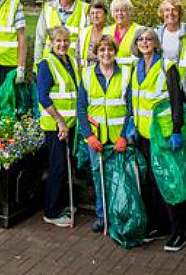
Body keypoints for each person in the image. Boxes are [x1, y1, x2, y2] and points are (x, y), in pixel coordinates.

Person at [131, 26, 186, 252]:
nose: (144, 42)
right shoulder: (136, 68)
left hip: (163, 135)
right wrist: (132, 125)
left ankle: (179, 232)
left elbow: (176, 99)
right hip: (144, 134)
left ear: (156, 43)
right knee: (153, 183)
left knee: (168, 182)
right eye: (140, 39)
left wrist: (176, 129)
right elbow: (135, 99)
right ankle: (160, 225)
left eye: (149, 39)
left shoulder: (167, 66)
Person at [77, 35, 131, 233]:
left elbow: (131, 109)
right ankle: (102, 216)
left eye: (109, 50)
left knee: (121, 178)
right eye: (102, 50)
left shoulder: (126, 73)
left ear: (115, 51)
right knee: (98, 177)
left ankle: (119, 215)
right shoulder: (88, 74)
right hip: (96, 138)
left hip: (119, 139)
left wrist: (124, 136)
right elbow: (81, 109)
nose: (106, 54)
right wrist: (89, 136)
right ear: (96, 53)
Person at [36, 26, 79, 227]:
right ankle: (51, 211)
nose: (62, 44)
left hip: (70, 124)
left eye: (65, 41)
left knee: (66, 166)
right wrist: (60, 121)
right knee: (57, 167)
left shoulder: (69, 61)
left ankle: (62, 204)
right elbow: (43, 97)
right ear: (51, 43)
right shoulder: (46, 64)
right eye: (58, 41)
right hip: (56, 126)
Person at [33, 0, 89, 66]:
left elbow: (88, 40)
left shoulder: (85, 9)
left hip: (74, 64)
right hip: (50, 63)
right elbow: (40, 39)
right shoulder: (47, 9)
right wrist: (37, 64)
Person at [156, 0, 186, 108]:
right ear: (162, 13)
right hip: (163, 93)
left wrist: (182, 91)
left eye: (174, 10)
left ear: (180, 13)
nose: (170, 13)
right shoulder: (156, 34)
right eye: (167, 10)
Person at [104, 0, 140, 66]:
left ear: (129, 12)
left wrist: (117, 61)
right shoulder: (106, 31)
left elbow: (139, 58)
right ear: (112, 13)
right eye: (116, 10)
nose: (119, 13)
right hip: (110, 74)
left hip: (131, 74)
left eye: (123, 10)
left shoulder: (139, 30)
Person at [76, 0, 108, 70]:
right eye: (92, 13)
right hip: (86, 73)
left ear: (105, 15)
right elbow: (78, 56)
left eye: (98, 13)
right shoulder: (83, 32)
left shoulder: (111, 31)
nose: (95, 16)